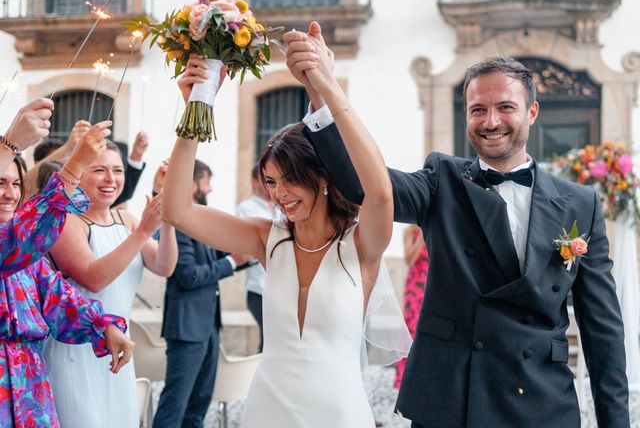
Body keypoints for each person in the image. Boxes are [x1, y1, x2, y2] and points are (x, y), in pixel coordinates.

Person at [288, 24, 629, 427]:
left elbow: (602, 326)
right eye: (477, 110)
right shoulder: (441, 180)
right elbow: (364, 185)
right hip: (455, 398)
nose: (490, 121)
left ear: (532, 112)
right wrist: (321, 92)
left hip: (541, 399)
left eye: (505, 107)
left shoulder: (581, 203)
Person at [163, 49, 409, 427]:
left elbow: (379, 191)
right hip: (268, 410)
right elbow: (177, 209)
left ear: (323, 176)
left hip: (338, 415)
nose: (280, 194)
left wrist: (326, 85)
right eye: (272, 182)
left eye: (291, 179)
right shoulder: (268, 239)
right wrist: (197, 105)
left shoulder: (362, 245)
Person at [0, 114, 135, 427]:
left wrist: (103, 325)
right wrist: (74, 163)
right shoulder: (16, 241)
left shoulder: (31, 260)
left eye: (16, 184)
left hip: (31, 392)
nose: (10, 194)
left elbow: (60, 298)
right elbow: (19, 238)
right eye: (0, 183)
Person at [44, 140, 178, 428]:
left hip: (120, 352)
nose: (111, 179)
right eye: (99, 170)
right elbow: (94, 278)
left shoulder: (126, 219)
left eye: (117, 170)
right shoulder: (67, 222)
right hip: (75, 355)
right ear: (78, 174)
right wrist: (143, 231)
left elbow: (164, 266)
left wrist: (166, 218)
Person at [153, 159, 249, 428]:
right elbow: (187, 275)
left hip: (208, 327)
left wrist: (253, 249)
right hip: (186, 329)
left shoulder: (198, 220)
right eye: (207, 181)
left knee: (199, 404)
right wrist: (232, 263)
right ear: (192, 183)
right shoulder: (177, 223)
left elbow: (222, 250)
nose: (210, 188)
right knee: (175, 405)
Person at [236, 163, 272, 351]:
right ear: (253, 181)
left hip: (283, 288)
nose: (269, 184)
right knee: (270, 341)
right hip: (260, 289)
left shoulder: (282, 206)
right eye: (265, 179)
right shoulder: (246, 209)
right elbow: (243, 252)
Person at [394, 224, 429, 389]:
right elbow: (409, 259)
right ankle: (406, 379)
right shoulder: (410, 232)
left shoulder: (435, 230)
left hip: (432, 287)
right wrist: (421, 237)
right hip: (415, 288)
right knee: (411, 330)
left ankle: (425, 376)